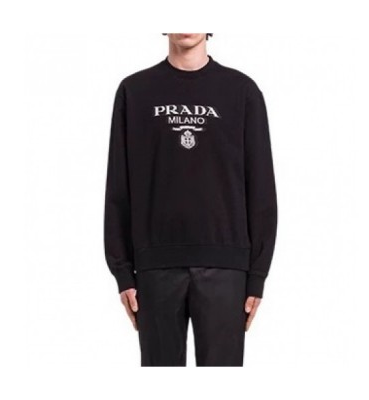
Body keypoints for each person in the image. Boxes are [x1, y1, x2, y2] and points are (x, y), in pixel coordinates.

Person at [104, 33, 278, 366]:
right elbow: (118, 185)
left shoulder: (242, 91)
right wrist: (122, 270)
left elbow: (261, 187)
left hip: (226, 267)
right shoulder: (134, 91)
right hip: (154, 267)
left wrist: (257, 273)